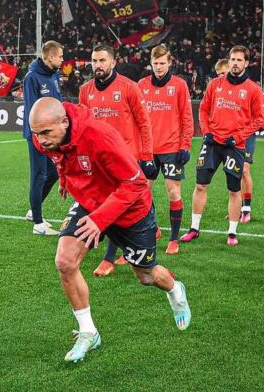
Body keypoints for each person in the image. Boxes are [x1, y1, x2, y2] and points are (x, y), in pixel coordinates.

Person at [29, 97, 191, 362]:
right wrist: (66, 178)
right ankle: (89, 332)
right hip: (90, 201)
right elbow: (62, 155)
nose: (42, 140)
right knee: (65, 261)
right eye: (37, 134)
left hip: (131, 211)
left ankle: (175, 290)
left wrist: (100, 219)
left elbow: (136, 184)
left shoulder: (99, 136)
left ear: (65, 122)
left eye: (47, 133)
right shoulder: (45, 138)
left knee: (146, 276)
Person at [78, 44, 156, 277]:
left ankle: (108, 258)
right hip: (97, 162)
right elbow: (82, 127)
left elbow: (144, 124)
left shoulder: (129, 88)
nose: (98, 65)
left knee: (117, 206)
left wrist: (147, 157)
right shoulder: (85, 90)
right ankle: (146, 227)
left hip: (125, 161)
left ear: (113, 62)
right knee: (107, 203)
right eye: (94, 61)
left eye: (102, 60)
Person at [181, 46, 264, 246]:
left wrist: (238, 137)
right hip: (212, 142)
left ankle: (232, 232)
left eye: (239, 60)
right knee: (200, 185)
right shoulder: (215, 84)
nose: (235, 63)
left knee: (234, 190)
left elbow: (259, 120)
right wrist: (206, 131)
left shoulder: (253, 89)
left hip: (235, 145)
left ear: (246, 63)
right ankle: (194, 228)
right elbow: (203, 109)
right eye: (232, 59)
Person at [137, 45, 193, 255]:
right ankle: (153, 229)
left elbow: (187, 116)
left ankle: (173, 239)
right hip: (148, 150)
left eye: (162, 63)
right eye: (156, 63)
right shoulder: (141, 85)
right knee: (142, 194)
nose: (159, 67)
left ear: (170, 63)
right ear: (151, 63)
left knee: (173, 192)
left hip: (171, 149)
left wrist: (185, 145)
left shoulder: (179, 85)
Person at [22, 40, 64, 236]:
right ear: (50, 57)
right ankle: (38, 223)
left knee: (54, 173)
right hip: (38, 136)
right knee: (38, 176)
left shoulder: (54, 74)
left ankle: (33, 210)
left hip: (53, 134)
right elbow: (31, 110)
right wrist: (38, 135)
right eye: (60, 56)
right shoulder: (31, 77)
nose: (62, 60)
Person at [240, 84, 264, 224]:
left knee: (245, 170)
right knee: (234, 172)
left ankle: (246, 209)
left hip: (247, 135)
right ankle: (237, 207)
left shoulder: (255, 91)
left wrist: (258, 124)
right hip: (230, 134)